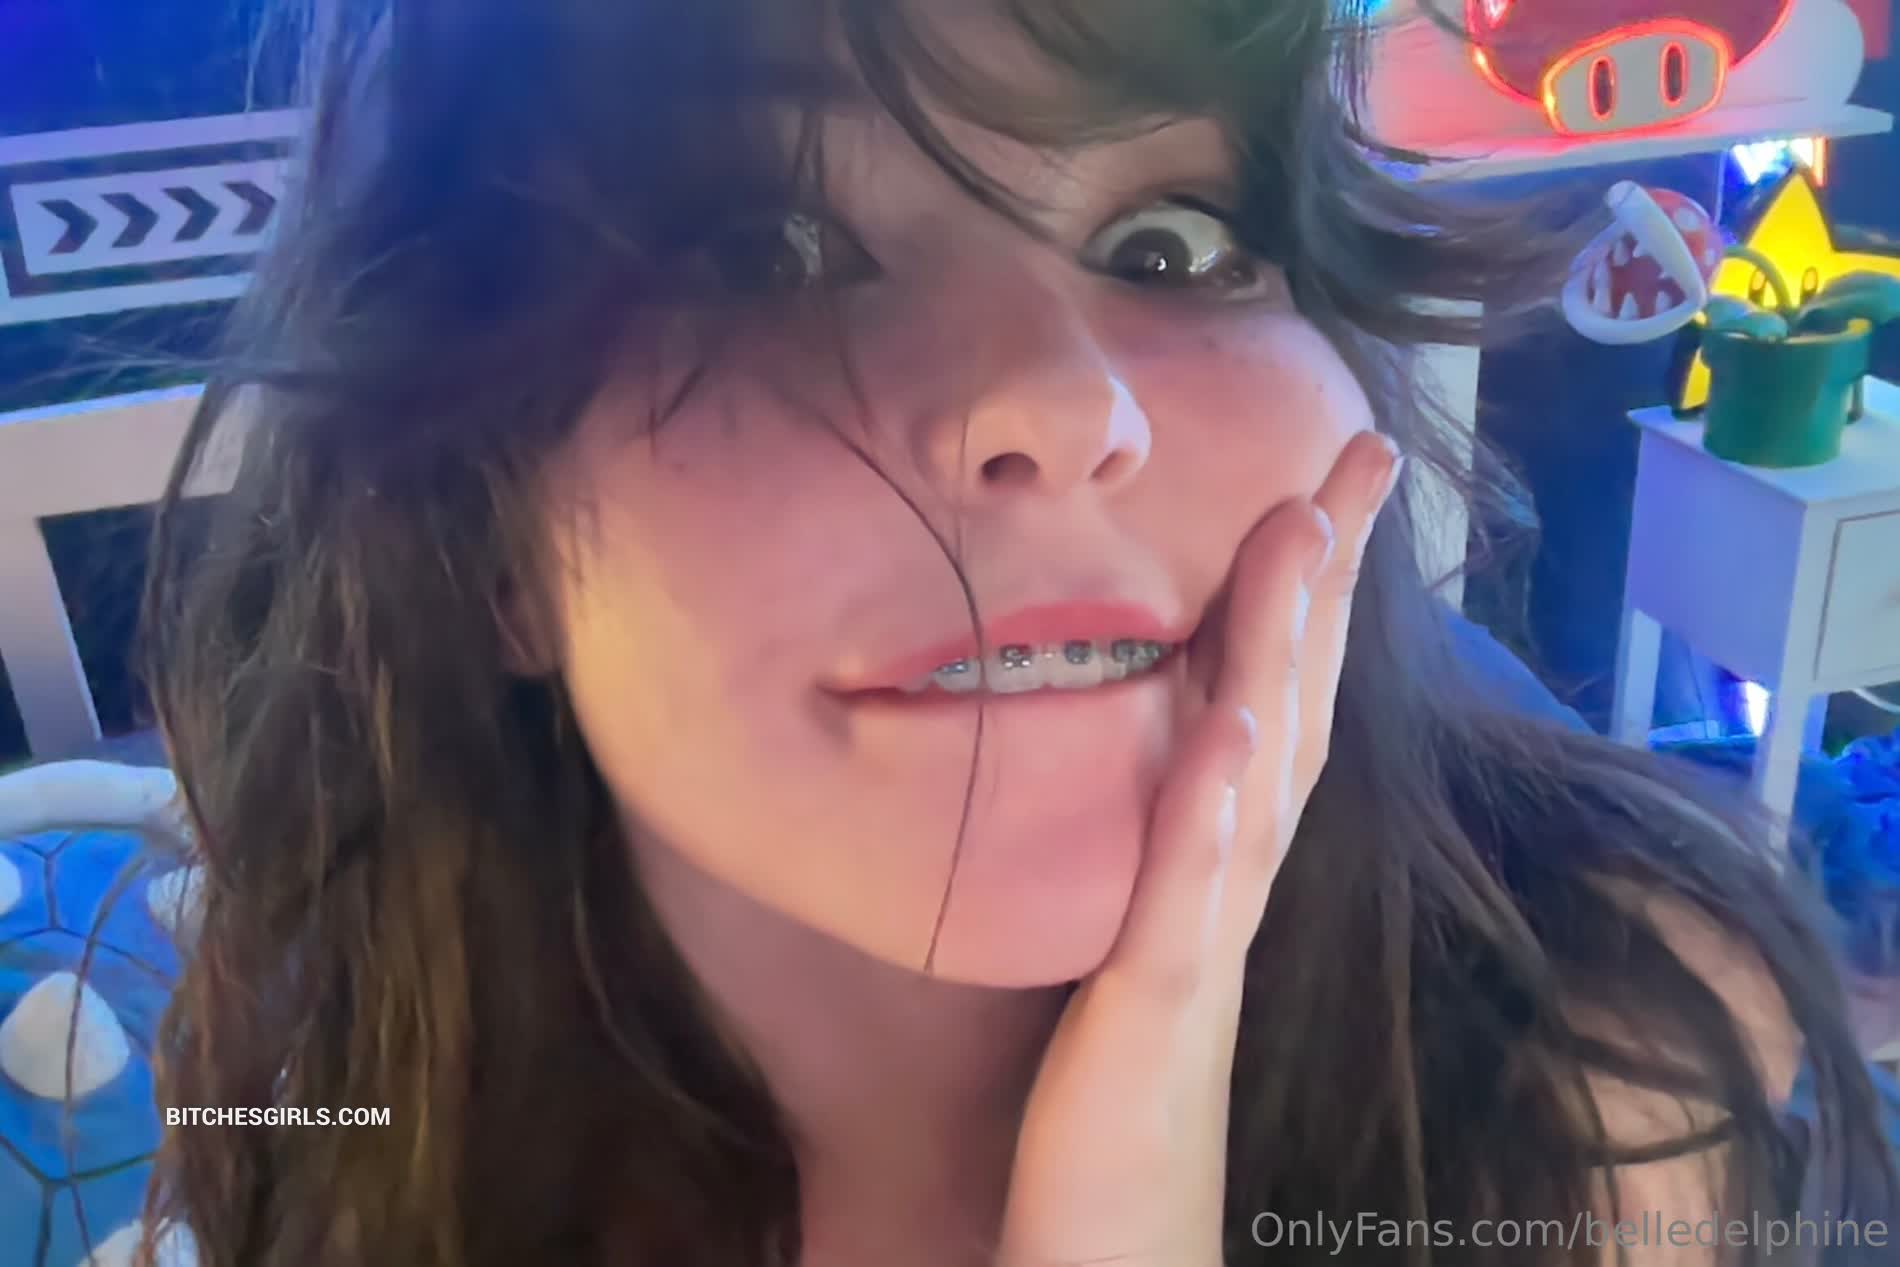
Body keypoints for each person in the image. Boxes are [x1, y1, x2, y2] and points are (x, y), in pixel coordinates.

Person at [134, 2, 1897, 1264]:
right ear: (489, 543)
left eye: (1170, 240)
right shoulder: (332, 1096)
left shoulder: (1604, 1080)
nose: (1065, 402)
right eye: (767, 250)